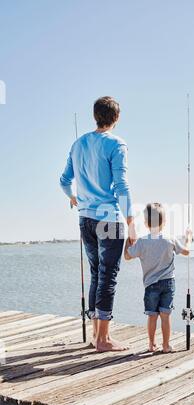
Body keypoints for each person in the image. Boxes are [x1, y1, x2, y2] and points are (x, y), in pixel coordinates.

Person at [60, 96, 136, 352]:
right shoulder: (117, 144)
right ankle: (103, 340)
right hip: (109, 219)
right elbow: (121, 185)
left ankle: (95, 335)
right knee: (108, 277)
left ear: (96, 116)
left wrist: (73, 197)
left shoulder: (78, 144)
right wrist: (132, 221)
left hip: (86, 220)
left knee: (96, 274)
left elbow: (63, 180)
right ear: (117, 118)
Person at [124, 203, 192, 353]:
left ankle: (151, 344)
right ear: (165, 222)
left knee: (152, 316)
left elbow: (127, 256)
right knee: (166, 315)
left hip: (150, 285)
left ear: (146, 223)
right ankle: (166, 345)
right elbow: (186, 251)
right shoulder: (170, 239)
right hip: (168, 283)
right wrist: (188, 237)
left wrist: (128, 239)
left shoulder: (142, 242)